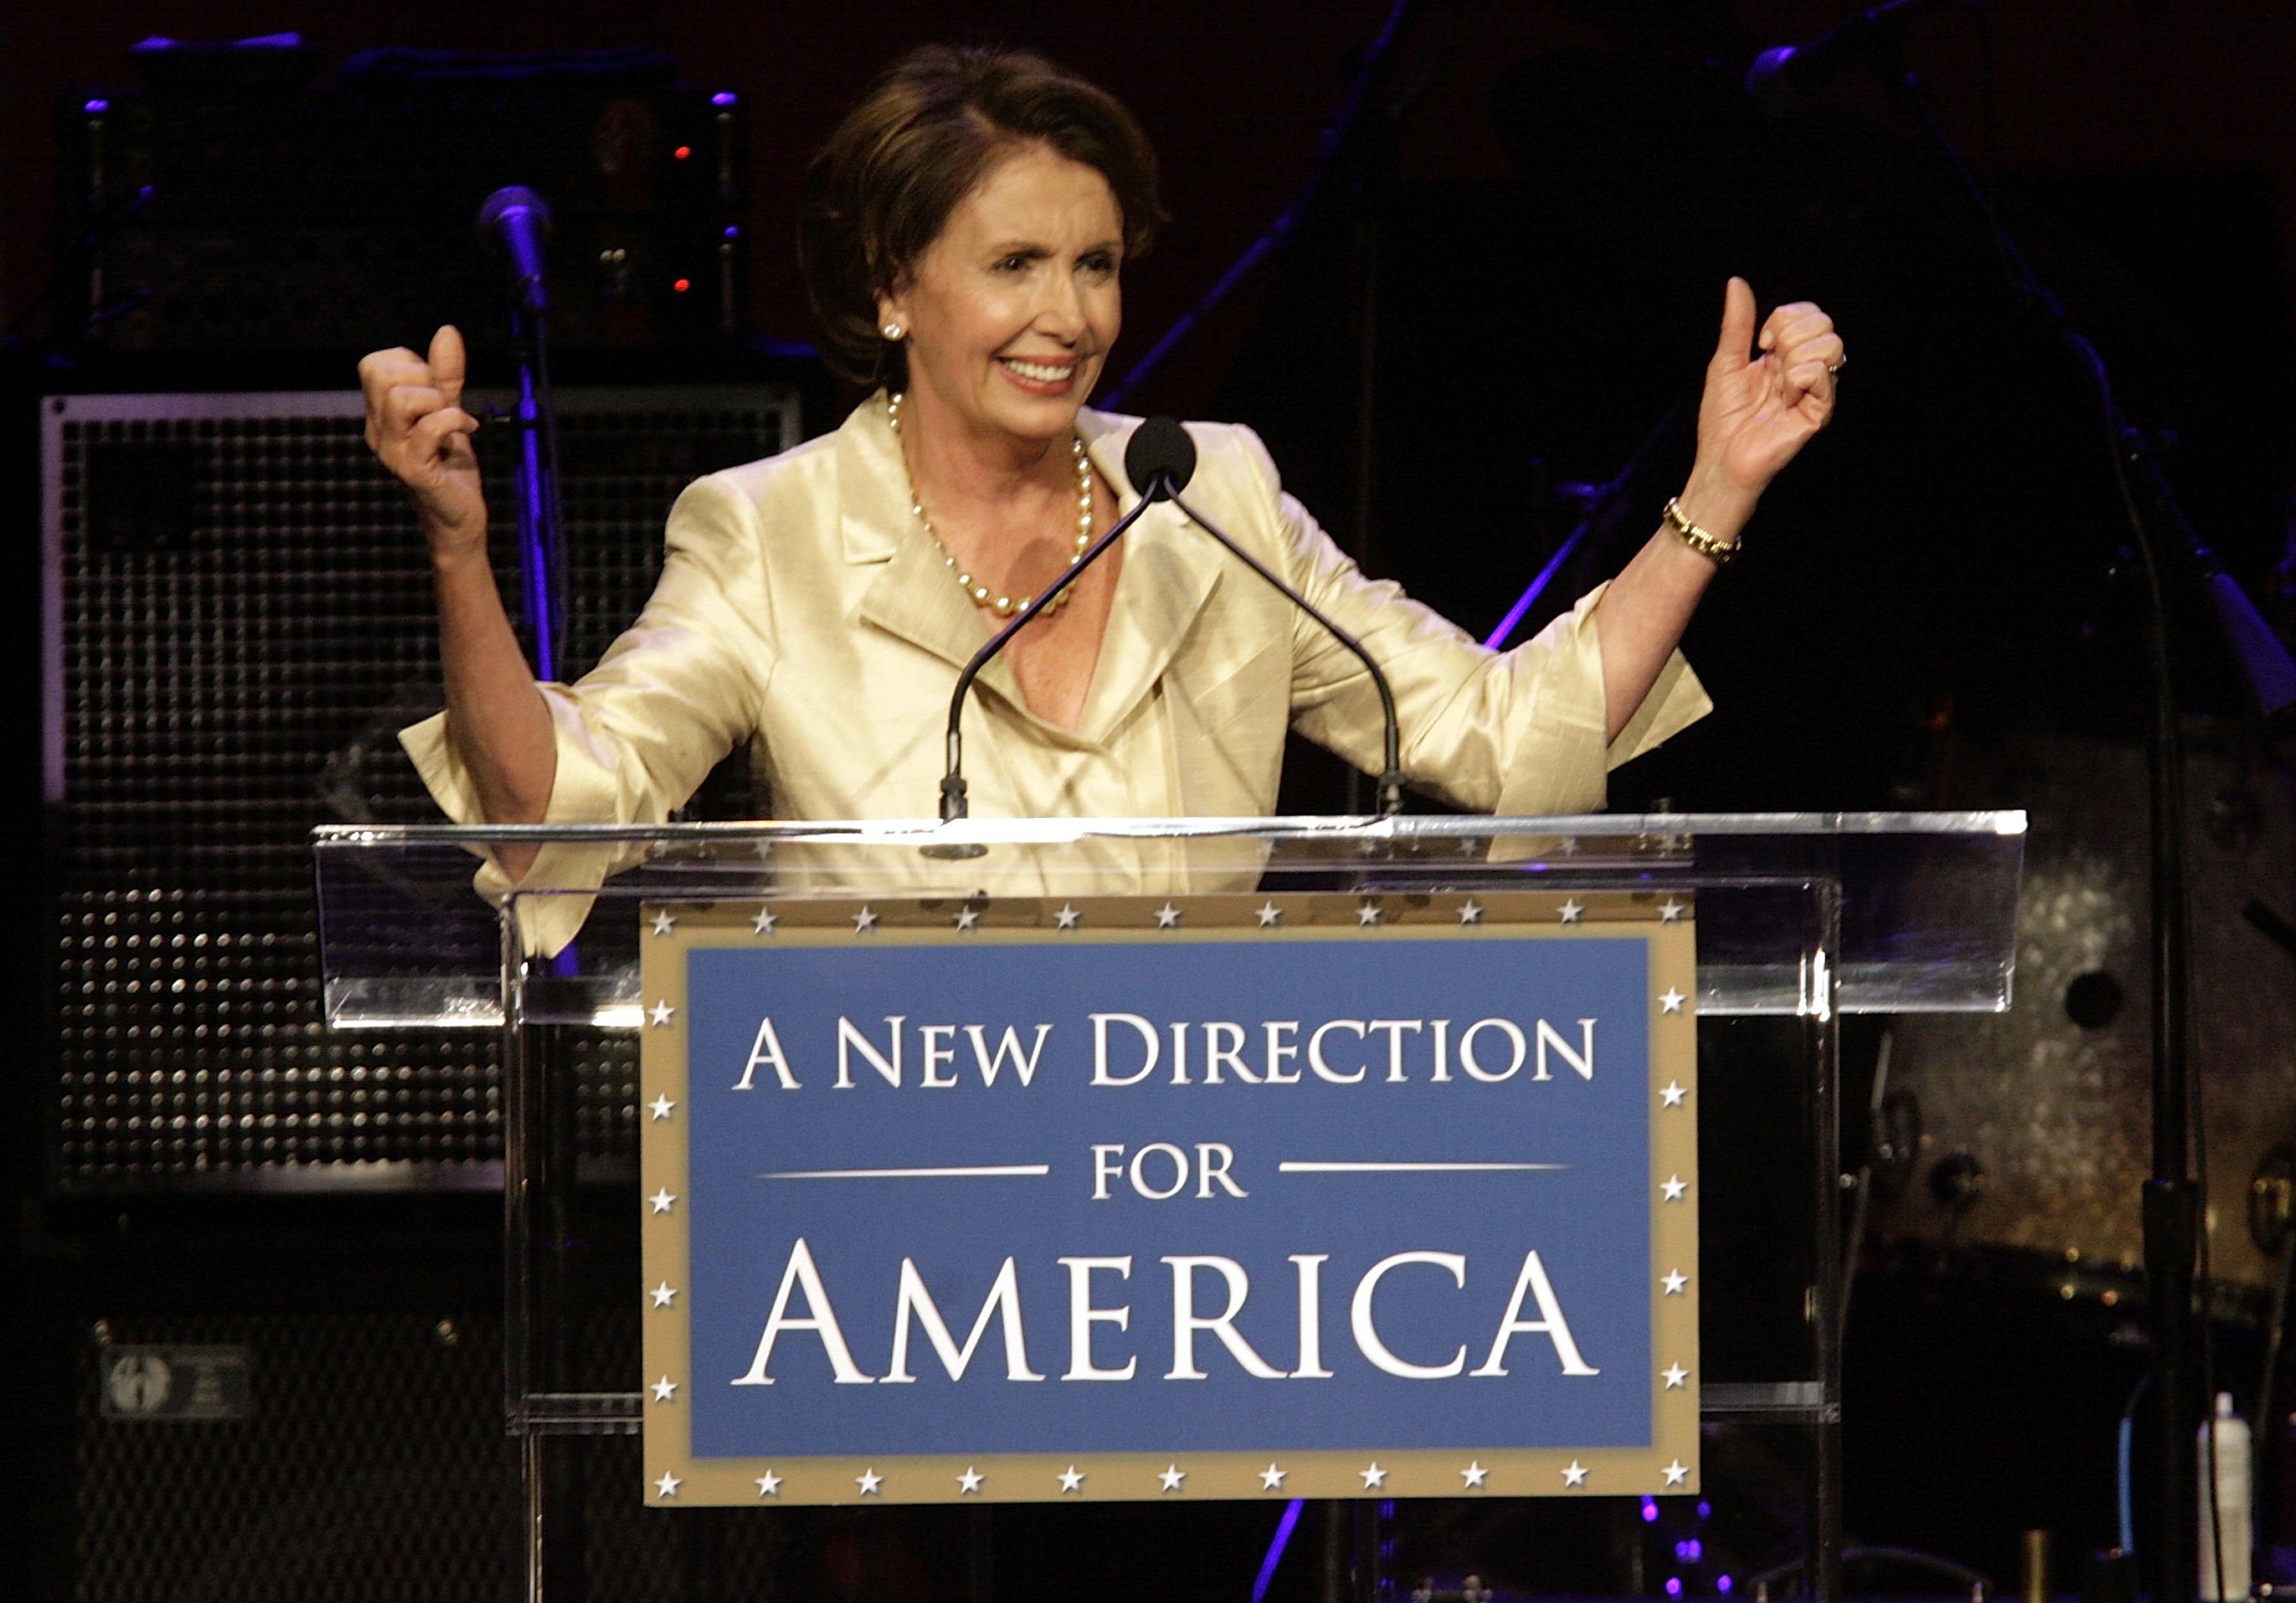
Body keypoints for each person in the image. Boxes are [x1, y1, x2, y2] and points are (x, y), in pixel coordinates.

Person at [360, 45, 1842, 951]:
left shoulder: (1211, 496)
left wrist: (1710, 494)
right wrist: (457, 555)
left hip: (1196, 1236)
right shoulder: (768, 534)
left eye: (1095, 264)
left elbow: (1507, 740)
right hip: (896, 1246)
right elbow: (551, 812)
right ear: (892, 286)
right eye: (1014, 266)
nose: (1066, 315)